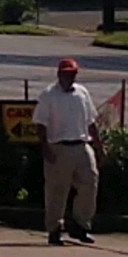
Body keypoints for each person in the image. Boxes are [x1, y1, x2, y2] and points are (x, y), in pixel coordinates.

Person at [36, 55, 100, 245]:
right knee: (57, 190)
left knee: (90, 183)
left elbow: (91, 121)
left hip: (81, 145)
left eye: (72, 74)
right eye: (65, 74)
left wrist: (99, 146)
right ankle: (54, 229)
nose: (69, 77)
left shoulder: (82, 93)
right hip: (58, 147)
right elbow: (40, 124)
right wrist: (45, 147)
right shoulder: (48, 95)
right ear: (58, 74)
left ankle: (80, 225)